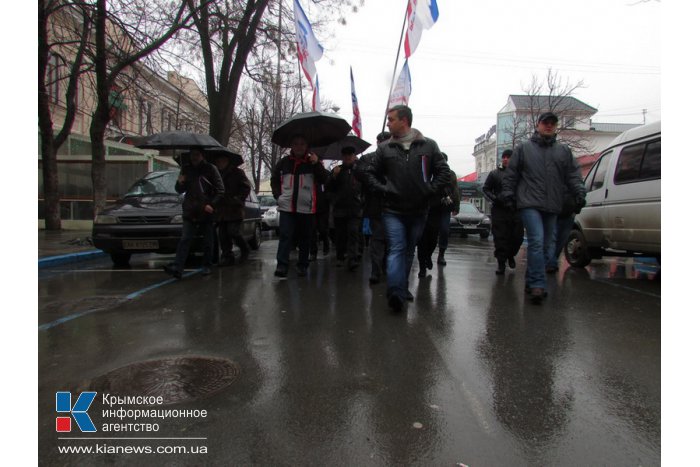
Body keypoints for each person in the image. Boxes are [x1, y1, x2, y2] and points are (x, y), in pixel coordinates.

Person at [363, 105, 451, 312]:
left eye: (391, 119)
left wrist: (429, 190)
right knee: (396, 247)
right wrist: (384, 189)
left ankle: (401, 288)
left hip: (419, 210)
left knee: (409, 249)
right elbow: (369, 174)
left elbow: (443, 172)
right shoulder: (385, 148)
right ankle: (395, 291)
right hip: (392, 210)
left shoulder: (428, 146)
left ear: (404, 121)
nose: (388, 123)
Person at [501, 112, 586, 303]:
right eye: (545, 123)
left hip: (553, 205)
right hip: (530, 203)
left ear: (555, 127)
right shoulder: (523, 149)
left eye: (552, 123)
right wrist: (508, 194)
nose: (549, 126)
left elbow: (573, 175)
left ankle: (531, 280)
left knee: (547, 245)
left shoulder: (563, 151)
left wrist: (579, 192)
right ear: (538, 125)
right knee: (537, 241)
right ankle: (538, 284)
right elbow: (511, 174)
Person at [271, 135, 328, 278]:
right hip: (287, 207)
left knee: (305, 237)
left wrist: (316, 164)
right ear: (291, 146)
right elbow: (274, 179)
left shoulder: (313, 162)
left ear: (306, 146)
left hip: (306, 208)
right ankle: (282, 265)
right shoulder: (283, 162)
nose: (299, 147)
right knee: (285, 235)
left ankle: (302, 265)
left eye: (302, 144)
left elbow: (324, 179)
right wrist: (278, 196)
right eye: (296, 144)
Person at [163, 148, 224, 279]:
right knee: (185, 239)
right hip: (190, 210)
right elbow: (179, 190)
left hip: (206, 210)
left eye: (197, 155)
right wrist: (180, 182)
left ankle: (207, 265)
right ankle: (178, 267)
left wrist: (211, 204)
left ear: (202, 156)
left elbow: (220, 190)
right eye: (192, 155)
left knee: (208, 240)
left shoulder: (210, 169)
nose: (194, 157)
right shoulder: (186, 169)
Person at [417, 152, 461, 277]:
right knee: (422, 238)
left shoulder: (449, 174)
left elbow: (455, 190)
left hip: (442, 208)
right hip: (425, 209)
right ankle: (422, 266)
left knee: (439, 233)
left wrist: (456, 206)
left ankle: (436, 255)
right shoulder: (426, 173)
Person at [356, 131, 391, 285]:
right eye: (381, 142)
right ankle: (376, 270)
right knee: (377, 239)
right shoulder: (368, 158)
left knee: (391, 240)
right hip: (375, 204)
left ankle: (386, 267)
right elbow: (360, 173)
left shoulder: (397, 157)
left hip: (394, 205)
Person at [482, 149, 524, 275]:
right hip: (499, 210)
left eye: (508, 157)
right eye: (504, 157)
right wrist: (495, 199)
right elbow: (486, 189)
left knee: (517, 237)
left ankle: (510, 255)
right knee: (500, 238)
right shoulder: (494, 174)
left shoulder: (520, 174)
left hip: (516, 210)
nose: (505, 159)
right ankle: (501, 263)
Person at [325, 146, 364, 271]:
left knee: (353, 233)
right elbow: (328, 188)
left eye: (350, 154)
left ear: (354, 156)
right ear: (342, 157)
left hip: (355, 208)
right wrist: (333, 177)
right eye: (345, 155)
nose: (348, 157)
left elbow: (365, 186)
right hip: (340, 209)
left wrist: (361, 200)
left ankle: (352, 259)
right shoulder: (337, 170)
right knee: (340, 235)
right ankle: (340, 256)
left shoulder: (359, 171)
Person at [213, 150, 252, 266]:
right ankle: (227, 256)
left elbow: (246, 187)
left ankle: (245, 248)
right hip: (221, 209)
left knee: (233, 232)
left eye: (222, 161)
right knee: (223, 235)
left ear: (227, 161)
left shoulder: (237, 173)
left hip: (234, 209)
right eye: (218, 161)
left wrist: (238, 199)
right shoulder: (215, 174)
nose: (220, 163)